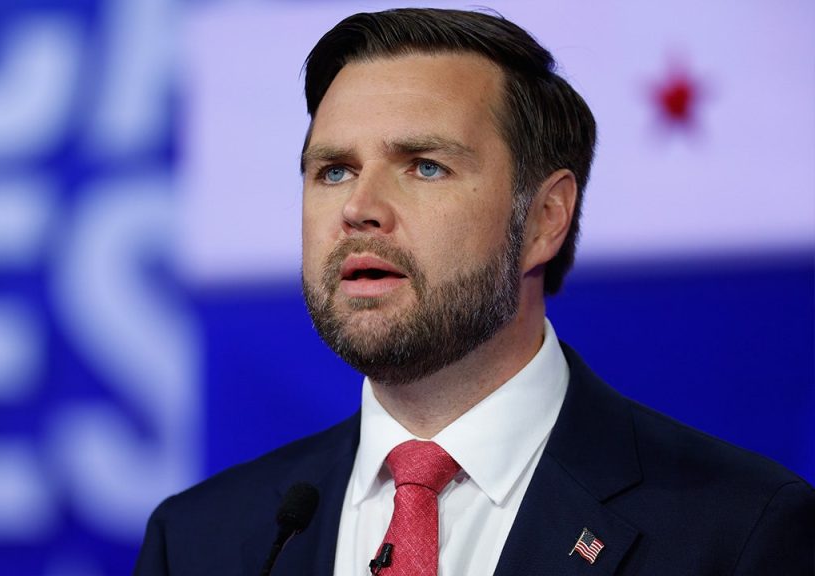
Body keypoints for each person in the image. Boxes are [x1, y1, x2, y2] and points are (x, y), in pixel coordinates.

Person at [135, 8, 814, 575]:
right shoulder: (199, 541)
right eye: (334, 171)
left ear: (544, 219)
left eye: (425, 166)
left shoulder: (739, 532)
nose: (359, 208)